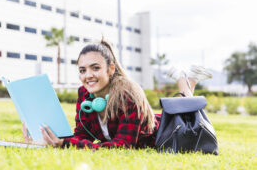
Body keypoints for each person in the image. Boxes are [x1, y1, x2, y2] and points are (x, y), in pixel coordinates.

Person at [22, 39, 212, 149]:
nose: (88, 76)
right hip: (154, 123)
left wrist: (64, 144)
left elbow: (123, 145)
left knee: (187, 113)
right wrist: (49, 138)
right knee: (184, 104)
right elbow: (82, 135)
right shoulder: (84, 94)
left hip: (167, 132)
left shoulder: (127, 95)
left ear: (111, 69)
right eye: (82, 70)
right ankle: (189, 81)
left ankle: (184, 81)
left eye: (95, 68)